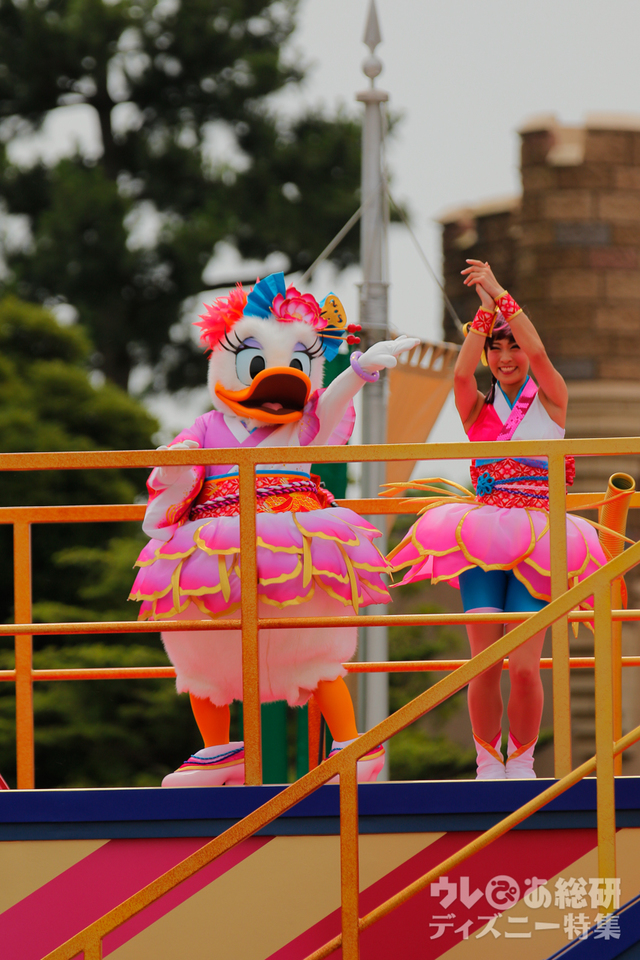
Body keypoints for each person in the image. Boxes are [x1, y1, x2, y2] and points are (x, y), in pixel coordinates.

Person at [130, 272, 419, 786]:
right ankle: (221, 753)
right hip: (215, 546)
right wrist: (176, 463)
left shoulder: (301, 423)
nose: (274, 382)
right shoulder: (206, 427)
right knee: (199, 652)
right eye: (256, 364)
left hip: (293, 540)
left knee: (314, 648)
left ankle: (352, 749)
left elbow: (329, 407)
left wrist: (357, 370)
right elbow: (176, 462)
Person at [388, 261, 608, 779]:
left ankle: (524, 760)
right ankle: (490, 761)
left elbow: (539, 351)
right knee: (483, 663)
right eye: (496, 348)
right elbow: (460, 373)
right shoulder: (474, 407)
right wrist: (482, 316)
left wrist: (499, 292)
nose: (506, 358)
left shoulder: (552, 399)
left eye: (512, 348)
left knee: (527, 667)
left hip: (539, 539)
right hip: (484, 538)